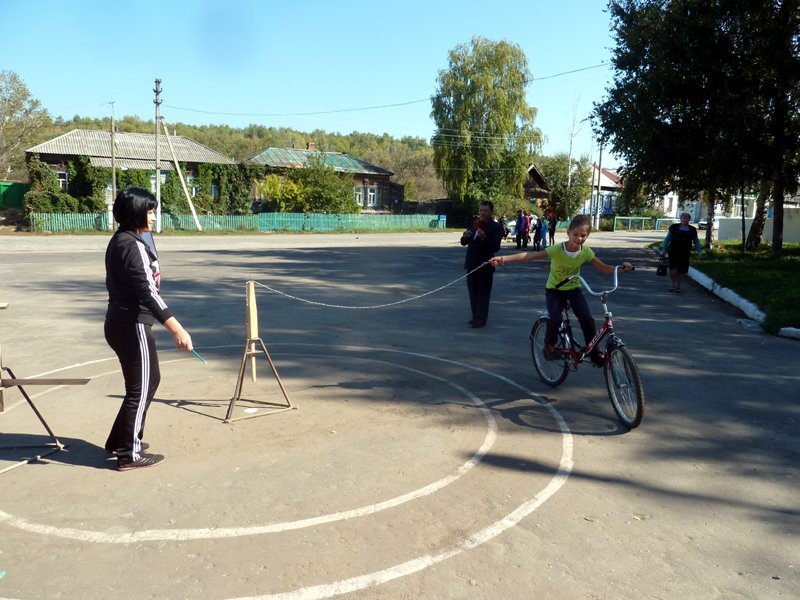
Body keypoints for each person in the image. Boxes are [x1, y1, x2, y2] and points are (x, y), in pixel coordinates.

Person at [104, 187, 193, 471]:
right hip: (132, 323)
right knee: (140, 388)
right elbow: (147, 292)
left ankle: (120, 440)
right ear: (136, 212)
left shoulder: (127, 240)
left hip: (123, 321)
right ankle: (129, 454)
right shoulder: (130, 245)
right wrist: (176, 328)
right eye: (150, 211)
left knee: (147, 382)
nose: (154, 217)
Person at [490, 214, 633, 365]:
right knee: (556, 319)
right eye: (575, 234)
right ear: (568, 233)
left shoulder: (586, 252)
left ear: (588, 235)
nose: (579, 238)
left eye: (583, 235)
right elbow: (529, 256)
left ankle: (594, 352)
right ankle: (549, 346)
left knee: (587, 319)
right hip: (554, 291)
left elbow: (604, 268)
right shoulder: (557, 249)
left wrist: (621, 269)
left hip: (574, 290)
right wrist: (504, 259)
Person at [460, 201, 503, 328]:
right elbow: (464, 242)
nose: (482, 213)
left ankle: (481, 319)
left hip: (485, 265)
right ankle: (475, 317)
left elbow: (495, 247)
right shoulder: (474, 224)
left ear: (491, 212)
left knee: (483, 294)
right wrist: (465, 237)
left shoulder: (496, 227)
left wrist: (484, 238)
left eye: (485, 210)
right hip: (471, 264)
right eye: (481, 210)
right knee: (473, 292)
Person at [661, 212, 702, 293]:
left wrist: (699, 251)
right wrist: (664, 249)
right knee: (673, 269)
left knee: (681, 270)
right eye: (683, 218)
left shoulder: (692, 229)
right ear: (680, 219)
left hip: (685, 252)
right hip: (673, 251)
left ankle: (678, 286)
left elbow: (696, 241)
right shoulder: (674, 227)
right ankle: (673, 284)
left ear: (689, 219)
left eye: (686, 218)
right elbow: (667, 239)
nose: (684, 219)